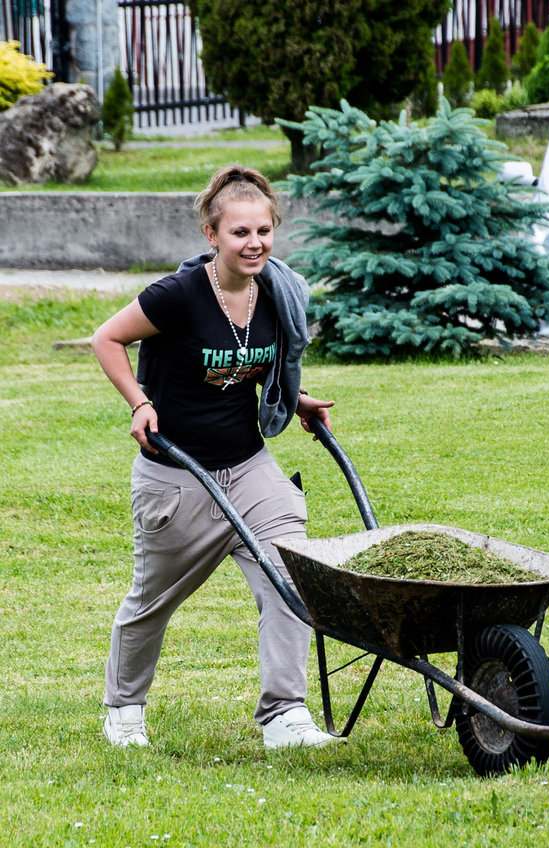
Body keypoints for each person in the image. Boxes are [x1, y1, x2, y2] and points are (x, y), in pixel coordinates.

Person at [92, 164, 336, 750]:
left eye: (263, 232)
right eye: (239, 233)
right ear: (211, 234)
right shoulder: (176, 296)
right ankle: (123, 709)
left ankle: (284, 714)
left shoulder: (277, 291)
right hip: (177, 479)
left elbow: (251, 367)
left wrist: (293, 398)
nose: (254, 244)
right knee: (151, 601)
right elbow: (107, 338)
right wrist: (140, 402)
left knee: (290, 573)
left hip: (249, 466)